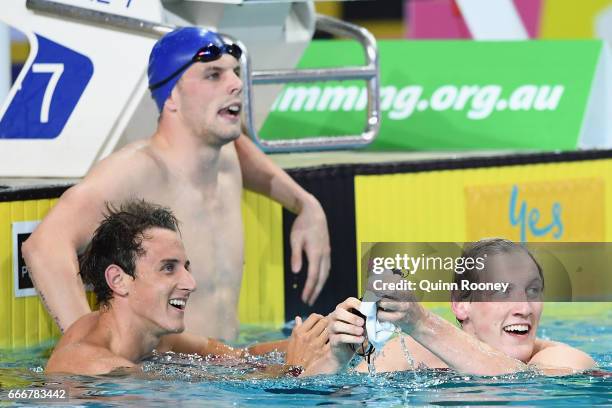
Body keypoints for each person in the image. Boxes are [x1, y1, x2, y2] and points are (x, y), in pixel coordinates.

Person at [23, 27, 330, 340]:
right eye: (213, 75)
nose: (237, 84)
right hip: (168, 380)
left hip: (224, 368)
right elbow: (44, 247)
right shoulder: (137, 169)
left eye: (234, 73)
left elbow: (246, 155)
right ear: (171, 97)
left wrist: (306, 205)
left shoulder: (226, 154)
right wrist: (86, 345)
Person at [46, 200, 329, 376]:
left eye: (186, 267)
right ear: (119, 280)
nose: (190, 283)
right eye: (168, 268)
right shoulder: (92, 366)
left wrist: (329, 335)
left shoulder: (153, 339)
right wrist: (296, 369)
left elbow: (241, 358)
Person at [321, 239, 596, 376]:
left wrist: (421, 323)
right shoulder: (409, 354)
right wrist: (337, 359)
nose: (524, 307)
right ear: (462, 305)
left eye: (533, 291)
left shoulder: (565, 361)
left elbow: (522, 386)